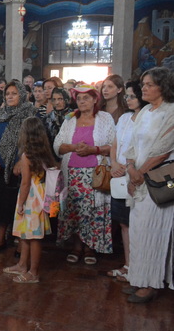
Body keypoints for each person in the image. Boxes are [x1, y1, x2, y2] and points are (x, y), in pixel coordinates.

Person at [123, 67, 174, 303]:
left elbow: (163, 150)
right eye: (143, 84)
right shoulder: (144, 111)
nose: (143, 88)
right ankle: (138, 277)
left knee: (152, 231)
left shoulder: (170, 112)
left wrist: (140, 173)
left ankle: (151, 283)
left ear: (163, 87)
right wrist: (131, 168)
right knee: (138, 232)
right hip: (138, 179)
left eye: (149, 84)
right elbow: (132, 144)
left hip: (157, 181)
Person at [54, 84, 116, 264]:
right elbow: (57, 146)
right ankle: (76, 247)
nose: (82, 102)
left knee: (92, 211)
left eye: (86, 98)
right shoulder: (70, 119)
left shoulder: (105, 118)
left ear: (95, 99)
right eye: (79, 99)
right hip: (72, 174)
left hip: (96, 175)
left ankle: (90, 248)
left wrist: (93, 149)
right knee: (74, 211)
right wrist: (74, 147)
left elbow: (114, 145)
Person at [3, 117, 56, 283]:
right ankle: (22, 265)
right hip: (41, 194)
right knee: (25, 234)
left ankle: (33, 272)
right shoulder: (44, 152)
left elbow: (25, 183)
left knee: (34, 237)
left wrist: (20, 204)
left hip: (31, 198)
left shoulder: (26, 156)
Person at [0, 81, 37, 253]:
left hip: (21, 168)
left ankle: (21, 242)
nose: (10, 97)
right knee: (0, 203)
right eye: (7, 94)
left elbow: (33, 141)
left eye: (14, 93)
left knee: (19, 204)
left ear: (22, 95)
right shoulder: (0, 115)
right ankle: (1, 238)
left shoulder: (30, 114)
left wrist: (22, 162)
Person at [108, 80, 148, 283]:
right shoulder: (124, 118)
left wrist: (130, 168)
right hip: (119, 175)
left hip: (138, 175)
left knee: (139, 223)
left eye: (132, 96)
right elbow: (115, 144)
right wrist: (114, 163)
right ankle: (128, 264)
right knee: (124, 222)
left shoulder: (148, 117)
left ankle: (141, 267)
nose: (128, 99)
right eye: (127, 96)